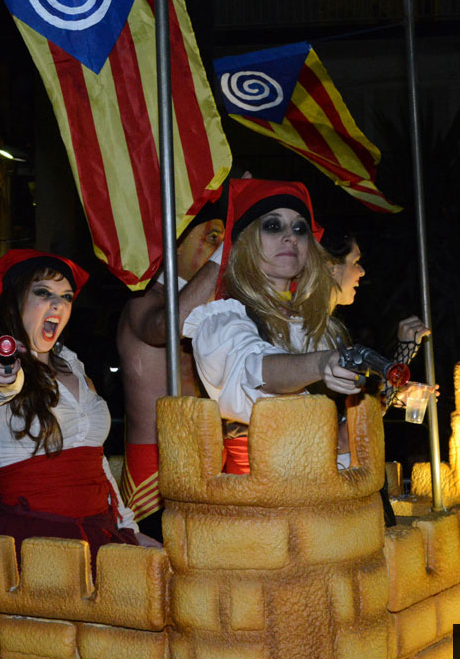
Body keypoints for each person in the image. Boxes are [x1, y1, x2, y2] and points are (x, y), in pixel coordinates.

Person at [0, 249, 159, 566]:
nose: (58, 304)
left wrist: (129, 529)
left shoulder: (73, 364)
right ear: (15, 300)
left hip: (100, 534)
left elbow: (98, 464)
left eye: (66, 296)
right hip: (33, 544)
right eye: (43, 293)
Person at [182, 179, 364, 475]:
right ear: (247, 241)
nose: (290, 237)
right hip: (263, 509)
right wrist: (321, 363)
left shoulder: (315, 325)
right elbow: (255, 368)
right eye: (273, 226)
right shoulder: (223, 319)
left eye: (299, 228)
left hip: (324, 495)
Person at [116, 206, 224, 540]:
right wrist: (222, 259)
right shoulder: (144, 300)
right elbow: (166, 325)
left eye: (221, 240)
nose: (219, 246)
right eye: (212, 238)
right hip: (155, 474)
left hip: (206, 463)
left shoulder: (211, 307)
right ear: (174, 243)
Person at [326, 233, 431, 524]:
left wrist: (400, 392)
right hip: (339, 482)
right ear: (330, 268)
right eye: (355, 262)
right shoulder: (315, 334)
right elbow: (357, 424)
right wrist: (404, 354)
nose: (361, 272)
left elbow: (356, 405)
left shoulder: (332, 331)